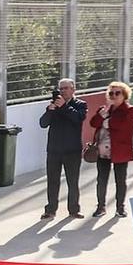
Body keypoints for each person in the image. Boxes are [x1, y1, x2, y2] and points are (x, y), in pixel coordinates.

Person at [84, 81, 133, 218]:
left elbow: (122, 126)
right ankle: (101, 206)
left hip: (120, 150)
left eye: (117, 93)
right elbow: (93, 123)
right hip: (102, 150)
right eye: (111, 93)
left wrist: (107, 121)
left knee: (120, 180)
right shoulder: (104, 109)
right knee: (101, 179)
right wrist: (102, 116)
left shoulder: (130, 110)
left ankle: (120, 207)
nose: (114, 95)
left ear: (124, 95)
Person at [39, 78, 90, 220]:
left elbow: (78, 119)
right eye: (61, 89)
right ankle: (50, 210)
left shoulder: (80, 104)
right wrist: (50, 110)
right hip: (54, 150)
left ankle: (74, 210)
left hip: (72, 150)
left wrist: (64, 107)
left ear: (73, 90)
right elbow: (43, 123)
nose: (63, 91)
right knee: (52, 181)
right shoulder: (53, 105)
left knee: (72, 181)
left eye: (66, 88)